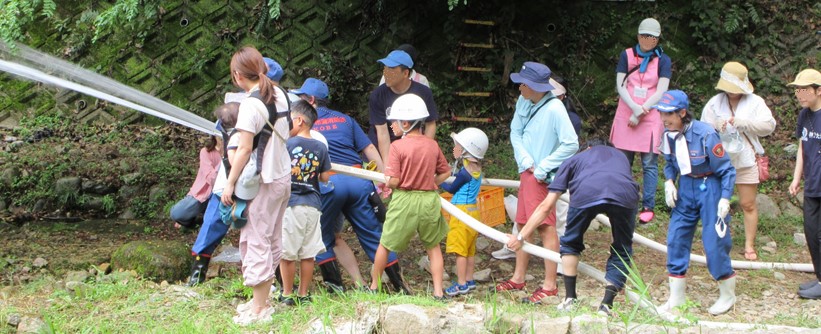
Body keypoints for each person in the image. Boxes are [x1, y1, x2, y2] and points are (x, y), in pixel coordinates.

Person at [292, 78, 410, 293]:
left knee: (320, 236)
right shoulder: (345, 119)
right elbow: (370, 149)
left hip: (328, 184)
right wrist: (384, 178)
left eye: (300, 99)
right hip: (359, 181)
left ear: (310, 100)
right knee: (375, 236)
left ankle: (335, 287)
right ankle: (400, 287)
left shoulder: (303, 123)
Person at [506, 138, 638, 316]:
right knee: (622, 249)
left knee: (571, 243)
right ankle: (607, 304)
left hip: (587, 191)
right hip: (626, 194)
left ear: (587, 148)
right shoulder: (621, 156)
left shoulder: (574, 160)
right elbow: (617, 180)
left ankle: (570, 299)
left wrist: (520, 237)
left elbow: (546, 206)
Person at [494, 61, 578, 305]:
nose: (519, 87)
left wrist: (543, 166)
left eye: (523, 83)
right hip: (527, 171)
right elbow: (515, 131)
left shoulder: (555, 109)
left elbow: (571, 143)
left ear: (535, 86)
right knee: (523, 223)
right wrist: (524, 159)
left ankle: (550, 285)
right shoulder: (524, 101)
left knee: (544, 226)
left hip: (542, 176)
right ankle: (519, 277)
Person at [222, 46, 291, 326]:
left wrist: (229, 182)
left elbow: (245, 149)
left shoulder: (251, 104)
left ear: (238, 76)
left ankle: (260, 309)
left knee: (255, 239)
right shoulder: (281, 94)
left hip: (263, 180)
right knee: (272, 237)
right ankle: (260, 299)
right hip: (283, 176)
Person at [654, 90, 737, 316]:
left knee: (714, 240)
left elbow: (727, 170)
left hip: (709, 186)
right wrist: (669, 181)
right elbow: (670, 160)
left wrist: (724, 197)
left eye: (669, 114)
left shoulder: (706, 134)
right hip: (686, 187)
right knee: (676, 237)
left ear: (682, 112)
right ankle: (676, 298)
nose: (664, 119)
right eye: (662, 113)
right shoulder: (668, 134)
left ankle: (727, 293)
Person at [369, 94, 451, 299]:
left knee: (385, 244)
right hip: (429, 200)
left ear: (405, 123)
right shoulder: (432, 144)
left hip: (404, 199)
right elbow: (446, 172)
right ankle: (439, 292)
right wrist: (431, 183)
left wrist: (387, 182)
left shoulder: (398, 146)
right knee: (433, 247)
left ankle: (373, 287)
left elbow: (395, 180)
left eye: (395, 122)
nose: (392, 126)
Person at [700, 62, 776, 261]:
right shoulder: (715, 103)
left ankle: (749, 245)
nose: (732, 93)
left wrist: (745, 124)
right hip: (720, 160)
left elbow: (769, 126)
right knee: (717, 201)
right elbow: (702, 129)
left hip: (746, 159)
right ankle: (716, 241)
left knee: (747, 203)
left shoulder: (755, 102)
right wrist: (715, 127)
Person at [609, 18, 672, 224]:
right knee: (622, 162)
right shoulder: (626, 55)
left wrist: (640, 112)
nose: (647, 40)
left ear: (658, 38)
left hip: (650, 114)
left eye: (652, 37)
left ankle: (648, 206)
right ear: (638, 36)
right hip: (626, 112)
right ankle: (622, 200)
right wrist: (634, 109)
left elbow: (661, 90)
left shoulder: (663, 60)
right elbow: (620, 85)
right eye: (644, 35)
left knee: (649, 164)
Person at [279, 100, 331, 306]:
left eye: (289, 120)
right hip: (313, 204)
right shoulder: (320, 146)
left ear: (299, 120)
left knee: (288, 253)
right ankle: (303, 294)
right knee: (308, 254)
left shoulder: (287, 144)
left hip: (292, 204)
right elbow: (325, 177)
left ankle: (287, 293)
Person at [185, 102, 240, 287]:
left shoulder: (247, 135)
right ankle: (196, 277)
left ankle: (272, 281)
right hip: (223, 189)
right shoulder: (221, 139)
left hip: (245, 188)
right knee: (208, 230)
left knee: (257, 234)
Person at [441, 127, 489, 296]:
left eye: (460, 147)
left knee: (460, 251)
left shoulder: (465, 173)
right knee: (470, 249)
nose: (457, 149)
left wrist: (437, 182)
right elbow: (460, 162)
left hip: (461, 212)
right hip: (473, 212)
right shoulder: (476, 167)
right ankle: (469, 279)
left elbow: (452, 189)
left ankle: (461, 284)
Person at [787, 68, 821, 299]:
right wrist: (796, 177)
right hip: (812, 184)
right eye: (797, 89)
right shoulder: (804, 116)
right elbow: (802, 146)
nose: (800, 94)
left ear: (818, 91)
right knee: (811, 232)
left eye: (805, 89)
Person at [368, 49, 439, 161]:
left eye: (391, 70)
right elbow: (382, 133)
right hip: (381, 151)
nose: (385, 74)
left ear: (405, 73)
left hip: (411, 148)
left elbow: (430, 124)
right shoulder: (377, 95)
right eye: (385, 69)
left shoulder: (423, 92)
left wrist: (424, 152)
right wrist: (387, 166)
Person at [169, 136, 221, 229]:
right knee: (176, 214)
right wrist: (223, 160)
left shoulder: (233, 152)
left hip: (220, 195)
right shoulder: (206, 152)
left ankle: (201, 218)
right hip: (201, 194)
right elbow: (211, 178)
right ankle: (194, 219)